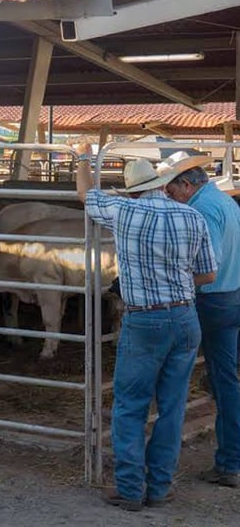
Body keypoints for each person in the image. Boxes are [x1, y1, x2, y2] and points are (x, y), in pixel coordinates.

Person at [75, 144, 217, 511]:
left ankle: (129, 487)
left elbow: (86, 195)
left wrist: (83, 158)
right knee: (172, 407)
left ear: (133, 190)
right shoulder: (192, 217)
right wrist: (177, 281)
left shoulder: (124, 210)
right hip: (185, 318)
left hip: (145, 319)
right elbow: (209, 273)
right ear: (161, 183)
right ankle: (160, 487)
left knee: (130, 405)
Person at [158, 150, 240, 488]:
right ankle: (230, 461)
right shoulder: (225, 201)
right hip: (232, 294)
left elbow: (207, 266)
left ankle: (164, 461)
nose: (168, 195)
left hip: (211, 300)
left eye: (171, 189)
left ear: (187, 184)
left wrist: (167, 283)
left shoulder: (202, 210)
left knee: (174, 372)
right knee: (225, 377)